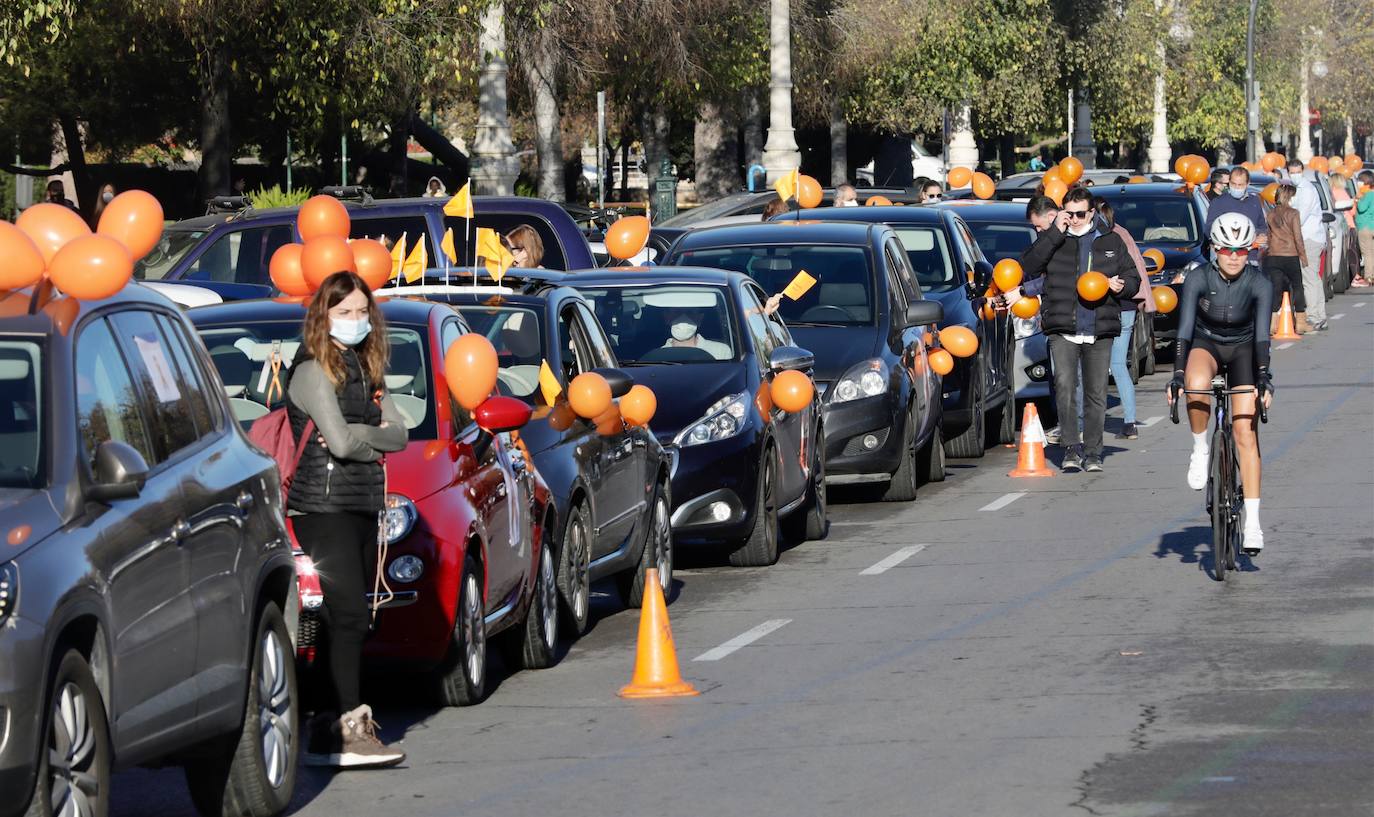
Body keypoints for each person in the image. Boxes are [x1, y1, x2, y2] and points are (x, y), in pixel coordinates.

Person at [290, 271, 409, 768]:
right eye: (344, 313)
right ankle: (348, 726)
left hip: (360, 503)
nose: (355, 321)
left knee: (343, 621)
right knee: (351, 617)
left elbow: (401, 433)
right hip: (323, 505)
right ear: (324, 316)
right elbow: (336, 444)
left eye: (362, 312)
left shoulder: (363, 366)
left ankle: (321, 726)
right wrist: (369, 433)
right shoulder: (314, 370)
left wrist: (363, 431)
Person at [1005, 187, 1139, 472]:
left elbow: (1133, 277)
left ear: (1091, 212)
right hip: (1062, 327)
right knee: (1065, 388)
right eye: (1070, 213)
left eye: (1080, 214)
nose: (1075, 219)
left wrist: (1121, 285)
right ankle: (1071, 448)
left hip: (1099, 327)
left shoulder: (1109, 241)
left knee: (1096, 393)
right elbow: (1029, 263)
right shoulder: (1055, 240)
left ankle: (1092, 452)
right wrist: (1055, 231)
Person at [1167, 213, 1273, 554]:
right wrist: (1178, 375)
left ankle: (1253, 522)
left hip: (1244, 348)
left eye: (1242, 250)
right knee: (1197, 384)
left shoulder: (1260, 283)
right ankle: (1201, 448)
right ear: (1214, 248)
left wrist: (1263, 379)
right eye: (1227, 249)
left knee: (1245, 432)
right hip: (1206, 342)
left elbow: (1261, 338)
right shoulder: (1198, 277)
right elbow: (1183, 329)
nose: (1233, 256)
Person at [1095, 199, 1154, 440]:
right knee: (1119, 365)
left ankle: (1089, 422)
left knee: (1095, 366)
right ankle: (1130, 423)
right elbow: (1138, 267)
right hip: (1127, 306)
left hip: (1105, 306)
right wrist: (1145, 301)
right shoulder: (1123, 234)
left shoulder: (1092, 239)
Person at [1285, 158, 1328, 331]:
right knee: (1312, 279)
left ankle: (1313, 317)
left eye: (1297, 172)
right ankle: (1319, 316)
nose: (1295, 175)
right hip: (1306, 238)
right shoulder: (1296, 189)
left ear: (1302, 171)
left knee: (1309, 279)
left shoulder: (1307, 190)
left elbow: (1299, 218)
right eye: (1292, 172)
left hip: (1309, 238)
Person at [1263, 182, 1308, 333]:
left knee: (1275, 289)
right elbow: (1298, 237)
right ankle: (1301, 322)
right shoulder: (1293, 213)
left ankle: (1272, 323)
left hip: (1274, 255)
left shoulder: (1270, 214)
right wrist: (1303, 255)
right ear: (1289, 197)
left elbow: (1269, 237)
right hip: (1291, 255)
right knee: (1297, 286)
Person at [1204, 166, 1269, 265]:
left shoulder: (1255, 201)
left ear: (1248, 184)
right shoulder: (1218, 202)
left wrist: (1261, 235)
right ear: (1229, 182)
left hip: (1250, 258)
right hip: (1226, 258)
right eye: (1233, 184)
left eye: (1240, 185)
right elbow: (1209, 229)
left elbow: (1262, 226)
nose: (1236, 188)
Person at [661, 306, 731, 360]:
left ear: (699, 318)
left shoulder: (721, 351)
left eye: (690, 312)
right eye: (677, 312)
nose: (683, 318)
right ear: (667, 317)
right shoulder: (658, 355)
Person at [1356, 170, 1374, 287]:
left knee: (1367, 253)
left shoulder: (1367, 195)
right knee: (1371, 252)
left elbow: (1362, 208)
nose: (1358, 183)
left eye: (1360, 181)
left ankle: (1368, 277)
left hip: (1365, 226)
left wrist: (1358, 200)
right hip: (1371, 225)